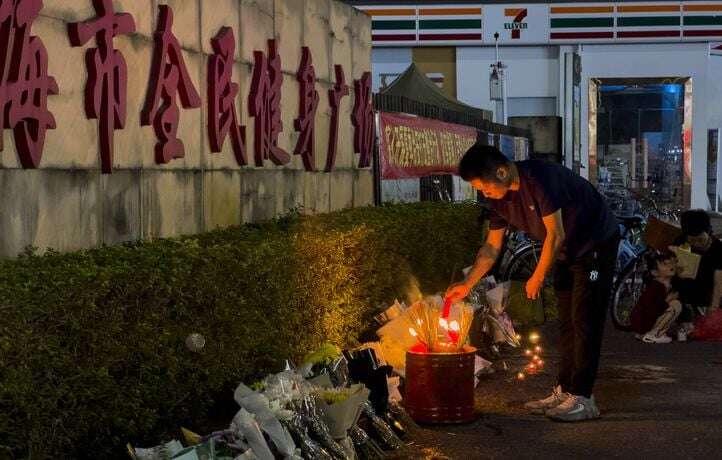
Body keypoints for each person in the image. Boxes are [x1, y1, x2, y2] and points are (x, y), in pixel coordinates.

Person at [445, 144, 619, 422]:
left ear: (501, 171)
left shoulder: (539, 179)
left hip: (595, 248)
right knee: (567, 323)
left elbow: (555, 234)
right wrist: (466, 283)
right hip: (565, 253)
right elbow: (491, 248)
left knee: (584, 319)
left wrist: (536, 277)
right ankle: (564, 390)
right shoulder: (499, 201)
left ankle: (584, 397)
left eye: (484, 186)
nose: (484, 193)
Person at [673, 210, 722, 314]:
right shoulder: (681, 242)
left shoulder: (718, 249)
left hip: (708, 293)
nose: (696, 244)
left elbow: (718, 282)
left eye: (700, 240)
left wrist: (714, 307)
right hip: (684, 294)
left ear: (708, 232)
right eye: (692, 240)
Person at [629, 251, 682, 343]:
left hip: (644, 321)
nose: (671, 266)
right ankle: (653, 334)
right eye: (665, 264)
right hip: (645, 321)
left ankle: (651, 333)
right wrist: (668, 300)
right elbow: (653, 309)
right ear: (654, 272)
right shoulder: (657, 287)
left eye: (671, 263)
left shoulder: (665, 286)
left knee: (675, 304)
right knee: (676, 305)